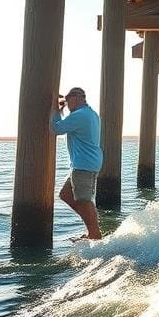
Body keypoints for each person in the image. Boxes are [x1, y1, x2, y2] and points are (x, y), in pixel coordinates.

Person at [51, 87, 103, 240]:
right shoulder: (90, 113)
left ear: (77, 98)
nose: (66, 105)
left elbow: (55, 128)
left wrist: (55, 110)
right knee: (66, 195)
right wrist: (60, 110)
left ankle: (94, 234)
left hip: (84, 165)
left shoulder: (80, 115)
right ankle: (92, 228)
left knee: (84, 200)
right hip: (86, 163)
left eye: (67, 101)